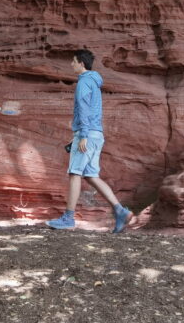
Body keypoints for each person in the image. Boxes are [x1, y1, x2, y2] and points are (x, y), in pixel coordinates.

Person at [46, 48, 132, 232]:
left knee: (75, 173)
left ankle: (68, 218)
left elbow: (84, 109)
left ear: (81, 63)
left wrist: (83, 134)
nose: (71, 64)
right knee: (91, 175)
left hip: (88, 134)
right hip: (96, 134)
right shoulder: (95, 82)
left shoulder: (84, 82)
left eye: (73, 61)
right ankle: (120, 211)